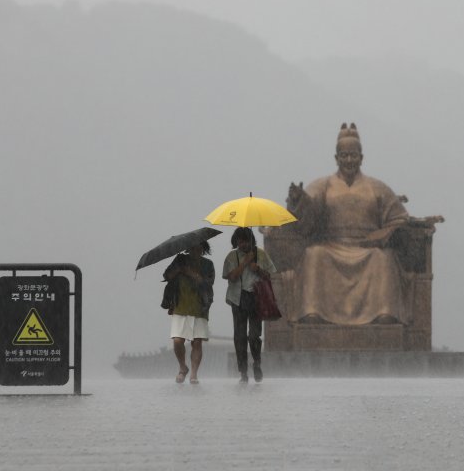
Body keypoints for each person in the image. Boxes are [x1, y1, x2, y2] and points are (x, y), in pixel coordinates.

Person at [286, 123, 409, 325]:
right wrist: (298, 200)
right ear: (336, 158)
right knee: (314, 254)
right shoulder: (322, 185)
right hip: (331, 246)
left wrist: (385, 233)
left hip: (367, 249)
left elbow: (399, 217)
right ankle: (312, 313)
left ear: (361, 157)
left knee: (384, 258)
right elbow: (308, 216)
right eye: (344, 156)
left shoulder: (377, 188)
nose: (349, 160)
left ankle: (384, 314)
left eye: (353, 155)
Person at [222, 227, 277, 383]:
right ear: (236, 242)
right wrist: (244, 264)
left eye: (245, 241)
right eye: (240, 241)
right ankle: (243, 372)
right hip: (237, 299)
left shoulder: (260, 255)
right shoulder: (232, 256)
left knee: (254, 335)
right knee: (240, 337)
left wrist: (257, 268)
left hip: (256, 298)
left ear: (250, 240)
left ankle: (257, 363)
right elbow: (231, 277)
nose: (243, 244)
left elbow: (269, 275)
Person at [162, 242, 215, 385]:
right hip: (180, 305)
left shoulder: (208, 264)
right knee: (177, 340)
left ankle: (194, 373)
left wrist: (191, 273)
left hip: (200, 307)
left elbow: (208, 283)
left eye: (198, 247)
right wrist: (179, 270)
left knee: (197, 342)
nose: (195, 249)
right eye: (192, 247)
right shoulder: (180, 259)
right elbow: (167, 275)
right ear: (188, 248)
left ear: (203, 248)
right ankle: (182, 367)